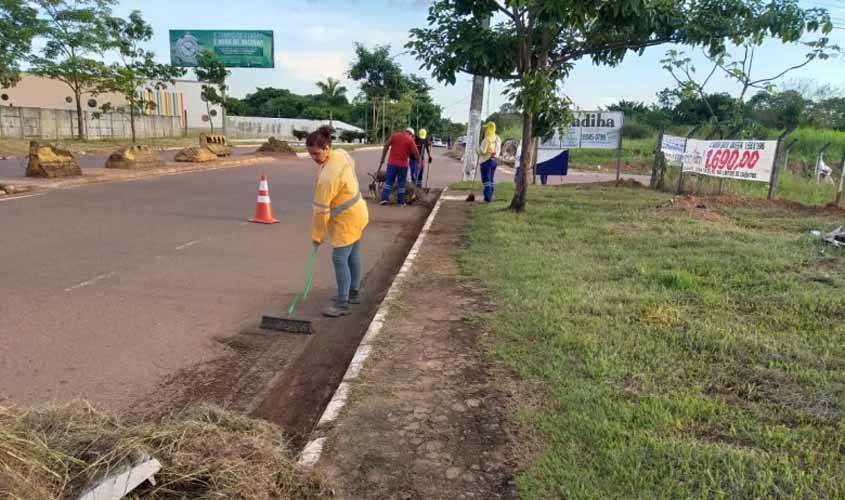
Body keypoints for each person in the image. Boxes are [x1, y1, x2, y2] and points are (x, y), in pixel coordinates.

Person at [307, 126, 370, 318]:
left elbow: (320, 210)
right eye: (310, 154)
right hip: (359, 211)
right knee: (353, 254)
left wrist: (317, 236)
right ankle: (353, 293)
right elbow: (350, 165)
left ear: (327, 147)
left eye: (317, 153)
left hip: (347, 220)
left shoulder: (327, 179)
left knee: (339, 258)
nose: (314, 158)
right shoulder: (341, 154)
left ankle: (342, 303)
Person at [378, 127, 420, 206]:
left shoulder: (395, 136)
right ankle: (401, 202)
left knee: (388, 181)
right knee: (401, 184)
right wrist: (419, 162)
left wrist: (383, 158)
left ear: (405, 131)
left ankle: (384, 199)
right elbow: (416, 153)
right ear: (411, 134)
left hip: (392, 164)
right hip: (403, 166)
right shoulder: (410, 140)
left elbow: (386, 145)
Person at [478, 121, 502, 203]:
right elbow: (499, 150)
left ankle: (487, 198)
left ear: (488, 128)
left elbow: (483, 151)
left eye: (486, 128)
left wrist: (477, 150)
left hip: (486, 161)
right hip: (494, 160)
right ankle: (490, 195)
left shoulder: (487, 139)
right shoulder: (497, 138)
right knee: (491, 179)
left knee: (486, 180)